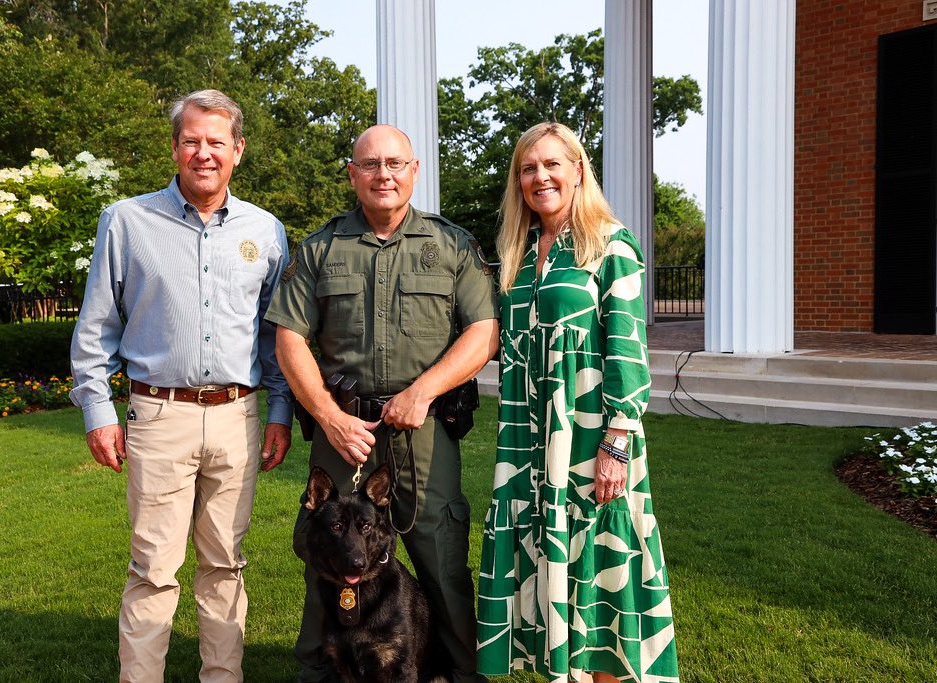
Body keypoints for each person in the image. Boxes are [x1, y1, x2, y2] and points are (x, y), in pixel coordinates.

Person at [69, 89, 293, 682]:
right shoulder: (126, 221)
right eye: (191, 141)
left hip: (238, 417)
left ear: (237, 151)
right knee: (152, 568)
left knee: (225, 565)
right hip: (158, 416)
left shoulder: (266, 232)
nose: (203, 153)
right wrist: (98, 410)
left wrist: (279, 411)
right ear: (174, 148)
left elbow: (275, 336)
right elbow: (96, 326)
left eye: (216, 142)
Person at [265, 124, 498, 683]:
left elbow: (485, 330)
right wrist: (328, 416)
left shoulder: (451, 246)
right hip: (342, 427)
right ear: (353, 174)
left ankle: (460, 673)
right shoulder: (322, 247)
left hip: (422, 429)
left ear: (415, 170)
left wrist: (424, 391)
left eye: (395, 163)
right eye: (370, 164)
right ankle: (322, 672)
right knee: (326, 553)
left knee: (441, 558)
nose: (383, 174)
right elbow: (288, 337)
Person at [476, 122, 679, 683]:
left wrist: (618, 437)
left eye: (551, 164)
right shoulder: (518, 253)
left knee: (599, 570)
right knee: (546, 559)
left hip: (591, 436)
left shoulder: (611, 244)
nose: (539, 176)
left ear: (578, 170)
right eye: (527, 168)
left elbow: (628, 348)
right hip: (527, 437)